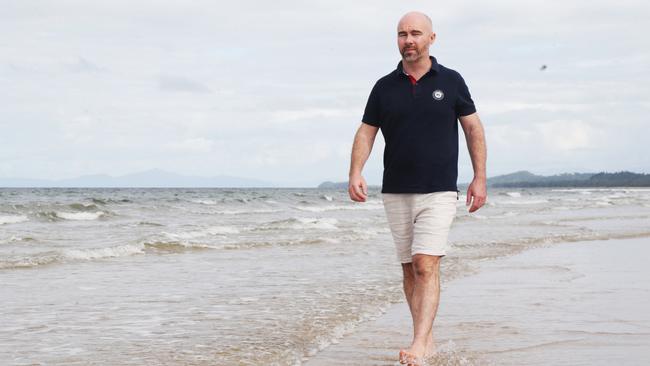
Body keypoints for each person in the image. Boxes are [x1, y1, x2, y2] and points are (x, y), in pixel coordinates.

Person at [347, 11, 488, 366]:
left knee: (426, 264)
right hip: (395, 190)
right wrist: (355, 172)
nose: (408, 40)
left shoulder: (452, 81)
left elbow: (473, 128)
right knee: (410, 268)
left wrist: (479, 177)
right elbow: (367, 131)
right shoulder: (383, 86)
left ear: (431, 38)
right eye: (401, 34)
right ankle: (426, 339)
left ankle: (419, 344)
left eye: (415, 33)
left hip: (439, 190)